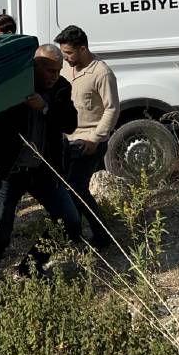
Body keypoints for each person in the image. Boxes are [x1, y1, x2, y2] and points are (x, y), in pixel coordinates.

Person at [0, 44, 82, 282]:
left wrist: (45, 107)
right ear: (34, 66)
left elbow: (70, 124)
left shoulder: (60, 88)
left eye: (58, 70)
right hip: (10, 172)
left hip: (43, 172)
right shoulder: (14, 86)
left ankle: (31, 266)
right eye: (49, 70)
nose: (54, 76)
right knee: (1, 231)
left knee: (70, 222)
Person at [55, 25, 119, 247]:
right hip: (66, 140)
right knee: (66, 190)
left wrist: (96, 138)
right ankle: (73, 233)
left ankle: (102, 237)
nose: (67, 58)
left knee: (76, 188)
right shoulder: (65, 68)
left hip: (89, 141)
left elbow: (112, 108)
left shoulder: (101, 72)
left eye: (69, 53)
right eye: (64, 54)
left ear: (83, 48)